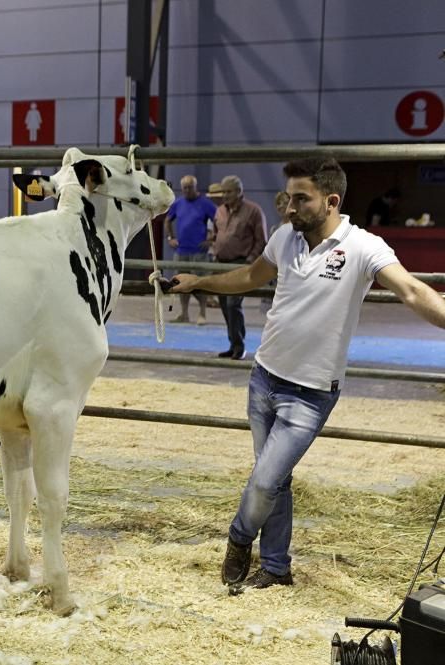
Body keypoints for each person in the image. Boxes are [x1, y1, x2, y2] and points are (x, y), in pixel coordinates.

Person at [170, 157, 445, 594]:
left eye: (301, 199)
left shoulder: (363, 247)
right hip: (264, 377)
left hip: (311, 394)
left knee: (265, 480)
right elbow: (249, 275)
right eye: (289, 197)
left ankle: (240, 538)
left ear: (331, 201)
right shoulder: (285, 238)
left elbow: (412, 290)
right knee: (276, 480)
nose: (290, 207)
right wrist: (198, 283)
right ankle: (277, 566)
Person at [210, 175, 267, 359]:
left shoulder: (253, 211)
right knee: (225, 305)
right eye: (223, 191)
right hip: (219, 264)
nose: (225, 195)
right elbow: (215, 234)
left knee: (234, 304)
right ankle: (233, 344)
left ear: (239, 191)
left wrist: (250, 260)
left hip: (240, 264)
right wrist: (213, 249)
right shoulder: (219, 211)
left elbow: (261, 240)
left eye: (229, 191)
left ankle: (239, 346)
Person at [165, 175, 215, 325]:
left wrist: (211, 239)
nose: (187, 190)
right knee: (180, 284)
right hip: (181, 251)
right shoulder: (178, 203)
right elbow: (167, 220)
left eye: (190, 187)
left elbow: (218, 220)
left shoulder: (205, 204)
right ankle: (184, 314)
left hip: (199, 252)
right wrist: (170, 238)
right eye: (184, 187)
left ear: (196, 187)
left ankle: (202, 313)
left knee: (200, 283)